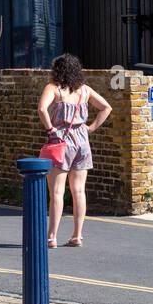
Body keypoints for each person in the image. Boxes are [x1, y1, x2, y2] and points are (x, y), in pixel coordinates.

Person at [37, 54, 111, 248]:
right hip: (82, 141)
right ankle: (77, 235)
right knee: (79, 190)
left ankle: (51, 236)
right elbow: (106, 107)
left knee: (57, 191)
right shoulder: (84, 91)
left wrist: (51, 129)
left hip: (60, 141)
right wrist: (92, 127)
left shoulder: (53, 89)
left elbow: (42, 109)